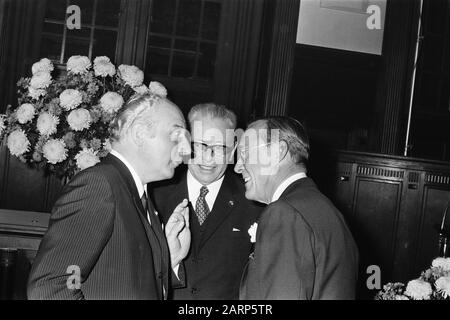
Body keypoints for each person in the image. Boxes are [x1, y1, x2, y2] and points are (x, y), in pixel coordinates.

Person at [27, 93, 191, 300]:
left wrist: (169, 257)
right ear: (139, 133)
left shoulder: (137, 193)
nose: (186, 149)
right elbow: (51, 286)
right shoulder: (99, 186)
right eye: (176, 136)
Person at [235, 116, 359, 300]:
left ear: (278, 152)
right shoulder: (329, 212)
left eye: (245, 153)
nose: (237, 166)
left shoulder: (284, 214)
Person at [151, 103, 262, 299]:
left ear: (233, 149)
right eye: (199, 145)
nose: (208, 158)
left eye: (219, 148)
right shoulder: (154, 195)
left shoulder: (254, 202)